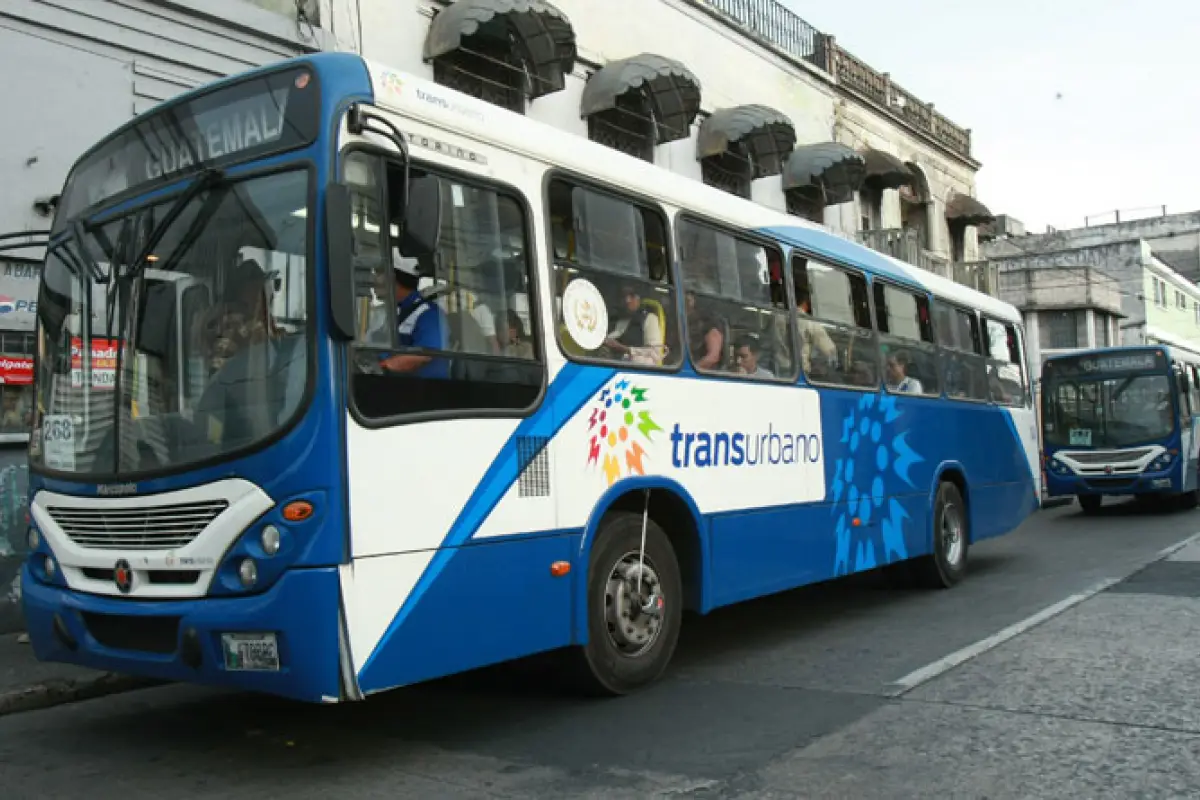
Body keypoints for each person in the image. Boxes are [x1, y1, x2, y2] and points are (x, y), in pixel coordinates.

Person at [379, 253, 450, 379]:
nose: (375, 278)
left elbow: (424, 354)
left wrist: (384, 365)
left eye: (379, 272)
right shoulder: (398, 313)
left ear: (392, 278)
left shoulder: (429, 314)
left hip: (424, 392)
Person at [604, 283, 664, 364]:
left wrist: (625, 350)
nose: (627, 300)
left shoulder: (649, 319)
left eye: (632, 296)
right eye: (624, 296)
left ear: (639, 299)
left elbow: (654, 355)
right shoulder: (617, 319)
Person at [795, 287, 837, 376]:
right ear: (806, 303)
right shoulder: (809, 322)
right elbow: (830, 351)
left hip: (778, 370)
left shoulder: (776, 318)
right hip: (801, 372)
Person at [685, 290, 725, 371]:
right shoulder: (682, 323)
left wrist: (691, 369)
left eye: (687, 300)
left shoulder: (709, 323)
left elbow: (713, 357)